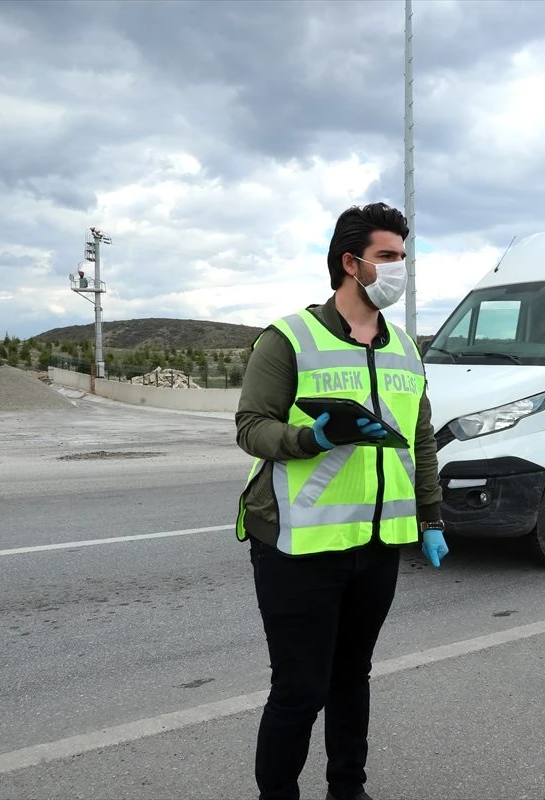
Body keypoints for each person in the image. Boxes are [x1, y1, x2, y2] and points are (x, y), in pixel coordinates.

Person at [234, 202, 449, 800]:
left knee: (353, 678)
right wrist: (314, 439)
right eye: (388, 257)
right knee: (301, 688)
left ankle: (347, 790)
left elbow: (421, 441)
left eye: (403, 257)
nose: (399, 268)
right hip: (299, 544)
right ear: (351, 263)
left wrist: (430, 517)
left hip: (378, 544)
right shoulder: (289, 339)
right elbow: (251, 427)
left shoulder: (405, 348)